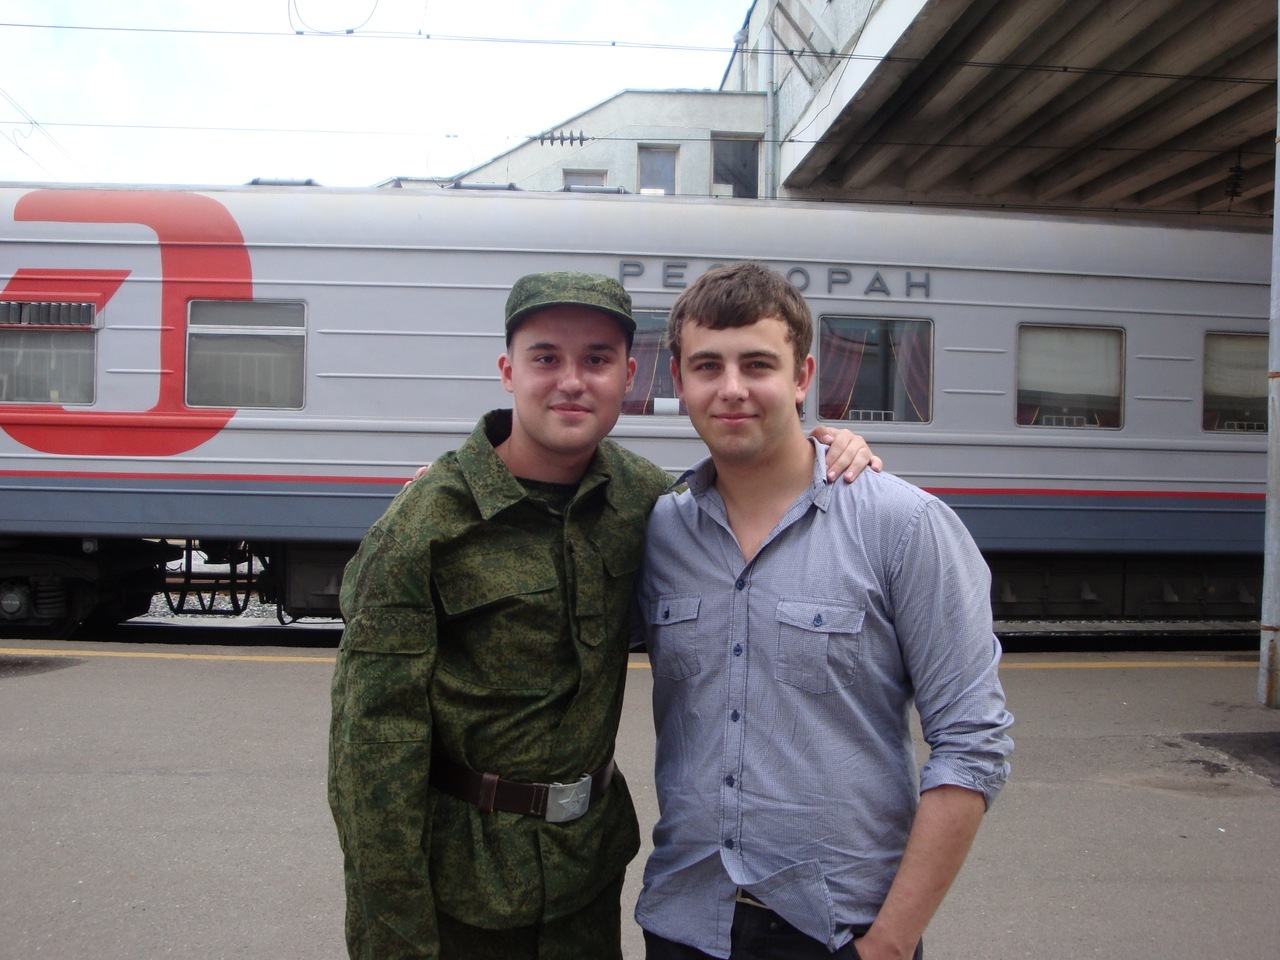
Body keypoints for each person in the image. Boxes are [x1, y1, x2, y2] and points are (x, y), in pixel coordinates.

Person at [328, 270, 879, 960]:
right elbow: (371, 759)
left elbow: (752, 494)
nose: (571, 381)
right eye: (545, 358)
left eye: (596, 359)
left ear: (629, 377)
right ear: (508, 371)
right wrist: (393, 939)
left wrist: (829, 448)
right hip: (461, 895)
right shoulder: (426, 526)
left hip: (585, 884)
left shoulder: (650, 504)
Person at [634, 262, 1014, 960]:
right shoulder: (656, 532)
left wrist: (890, 944)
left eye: (758, 364)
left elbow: (972, 744)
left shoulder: (903, 526)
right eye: (707, 366)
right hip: (685, 924)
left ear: (803, 376)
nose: (732, 388)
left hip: (839, 932)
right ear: (679, 382)